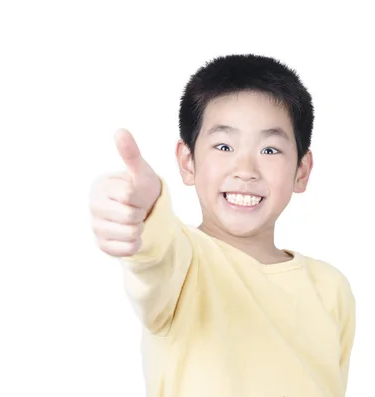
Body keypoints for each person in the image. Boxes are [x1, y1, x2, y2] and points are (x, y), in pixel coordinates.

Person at [89, 54, 356, 397]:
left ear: (301, 171)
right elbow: (155, 256)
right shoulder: (183, 264)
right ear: (188, 162)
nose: (245, 169)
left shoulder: (331, 288)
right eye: (224, 146)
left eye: (270, 150)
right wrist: (142, 210)